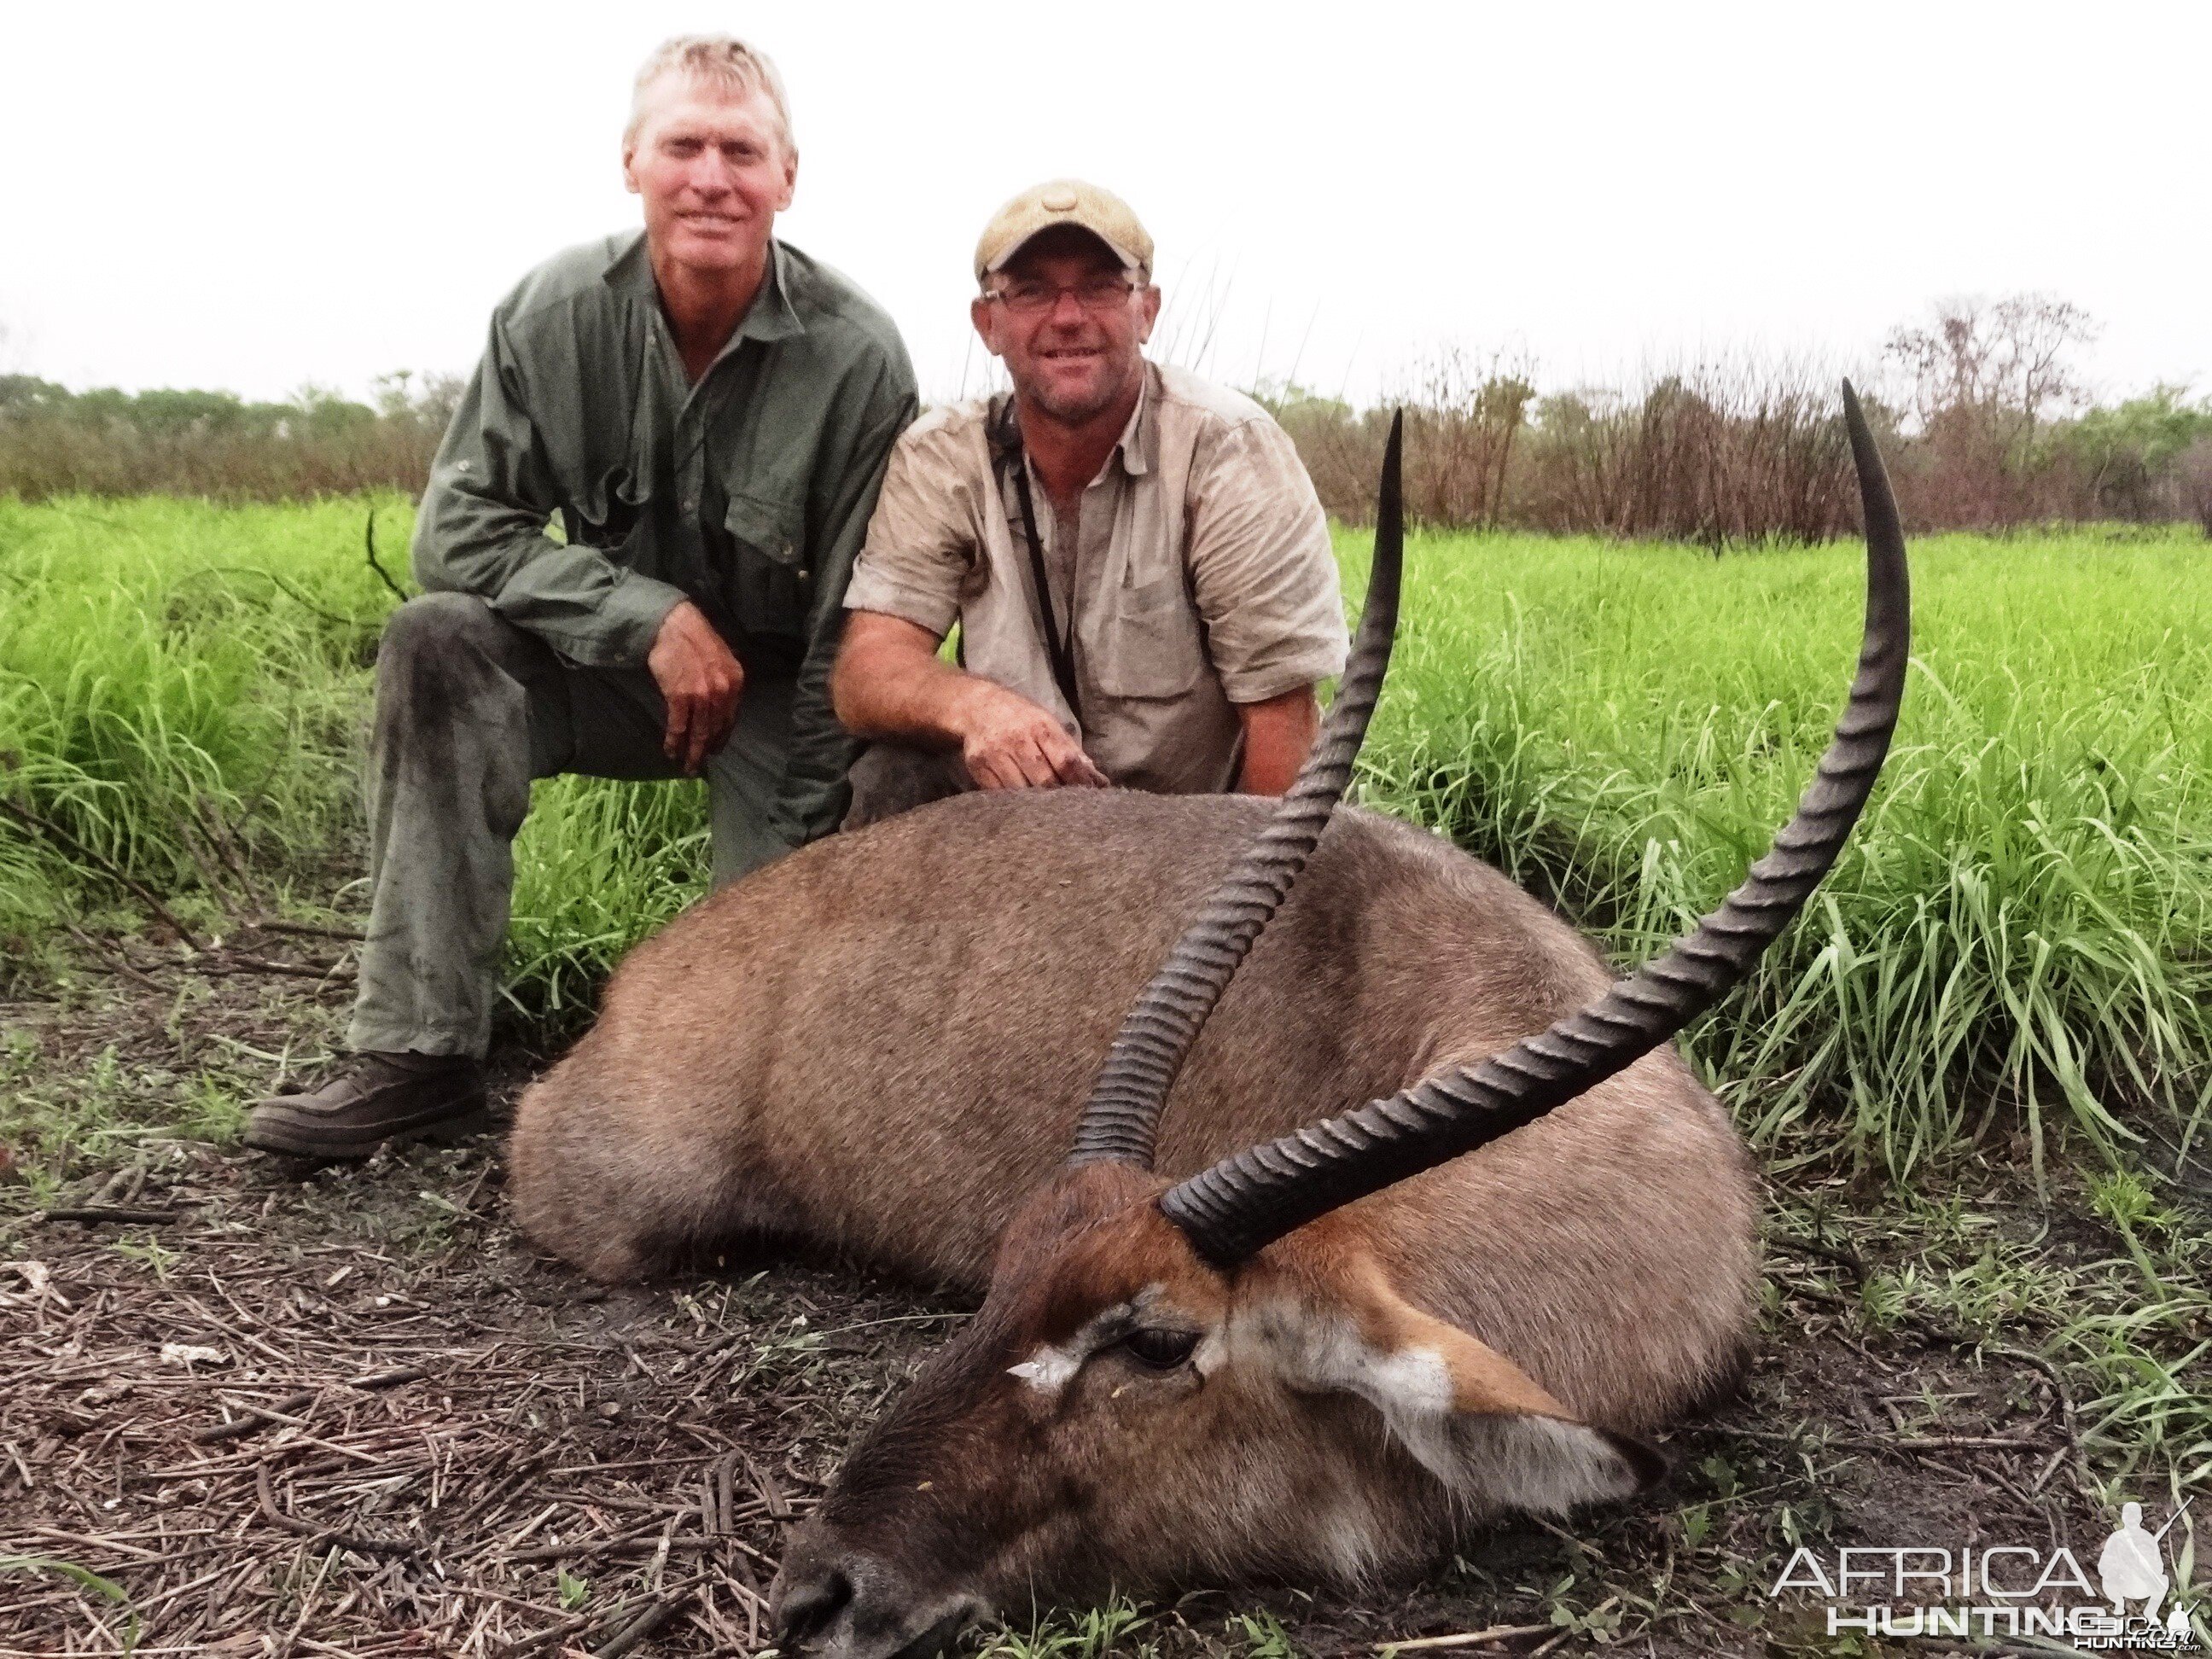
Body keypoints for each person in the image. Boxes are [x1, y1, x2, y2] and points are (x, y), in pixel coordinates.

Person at [246, 35, 917, 1160]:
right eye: (684, 146)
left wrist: (769, 907)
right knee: (437, 640)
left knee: (759, 1035)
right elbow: (455, 533)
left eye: (741, 151)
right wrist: (643, 615)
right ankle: (420, 1054)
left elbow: (847, 638)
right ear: (633, 163)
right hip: (618, 678)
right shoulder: (550, 313)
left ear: (786, 178)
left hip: (781, 702)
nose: (712, 176)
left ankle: (767, 1060)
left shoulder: (860, 361)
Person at [831, 180, 1346, 817]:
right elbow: (865, 670)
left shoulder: (1231, 453)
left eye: (1101, 286)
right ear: (987, 323)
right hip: (1015, 820)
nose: (1068, 317)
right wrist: (975, 707)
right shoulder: (941, 457)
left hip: (1193, 836)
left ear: (1147, 311)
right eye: (1031, 290)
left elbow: (1284, 740)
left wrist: (1233, 901)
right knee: (887, 776)